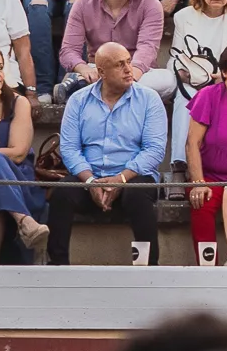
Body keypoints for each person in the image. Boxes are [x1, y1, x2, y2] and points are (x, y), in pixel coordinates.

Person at [49, 41, 164, 264]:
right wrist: (91, 181)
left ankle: (150, 267)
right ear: (101, 72)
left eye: (129, 62)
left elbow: (154, 150)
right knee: (62, 193)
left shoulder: (149, 99)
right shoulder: (78, 101)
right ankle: (58, 266)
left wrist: (121, 179)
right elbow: (70, 149)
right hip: (90, 177)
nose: (128, 69)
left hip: (133, 177)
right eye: (119, 65)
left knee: (137, 195)